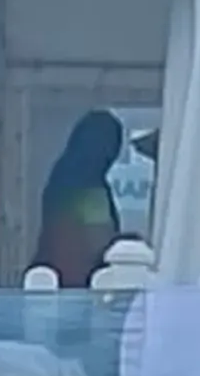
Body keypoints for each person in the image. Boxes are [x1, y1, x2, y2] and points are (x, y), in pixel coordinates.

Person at [33, 108, 129, 290]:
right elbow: (99, 241)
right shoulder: (90, 188)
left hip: (53, 279)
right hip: (83, 284)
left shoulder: (60, 178)